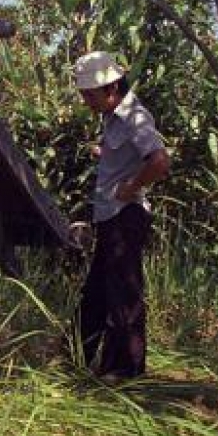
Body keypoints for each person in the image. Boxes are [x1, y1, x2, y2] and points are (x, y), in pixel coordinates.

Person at [73, 51, 170, 381]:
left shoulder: (134, 117)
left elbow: (159, 161)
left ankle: (125, 371)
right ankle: (79, 354)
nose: (87, 101)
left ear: (112, 88)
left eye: (90, 94)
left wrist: (131, 188)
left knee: (122, 295)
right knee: (98, 291)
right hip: (110, 217)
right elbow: (129, 155)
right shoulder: (114, 118)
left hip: (125, 217)